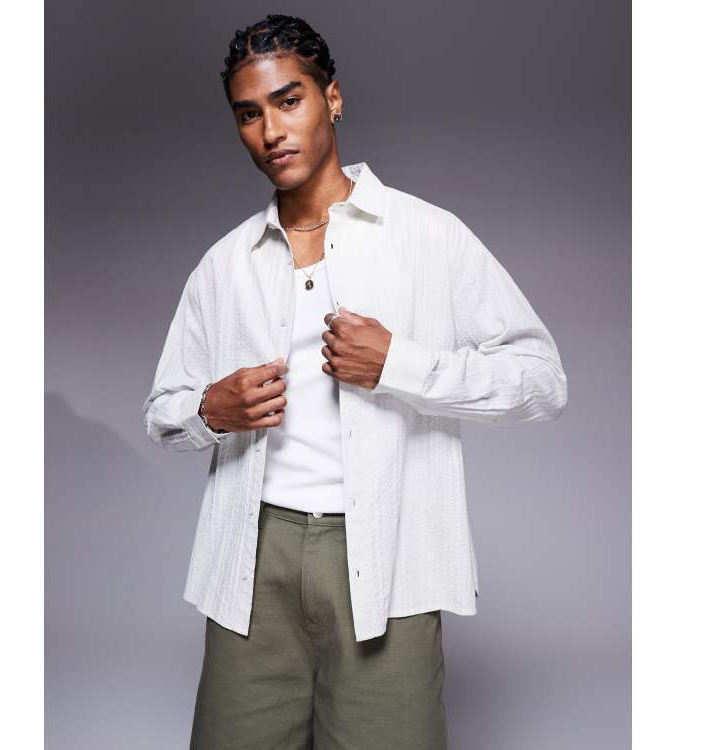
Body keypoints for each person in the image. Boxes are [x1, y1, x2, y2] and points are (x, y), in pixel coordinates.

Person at [142, 13, 568, 750]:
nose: (271, 130)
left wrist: (399, 364)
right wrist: (212, 408)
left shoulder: (428, 236)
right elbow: (164, 413)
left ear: (332, 99)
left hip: (390, 559)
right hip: (251, 563)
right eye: (249, 114)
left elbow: (541, 382)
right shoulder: (225, 264)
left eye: (289, 100)